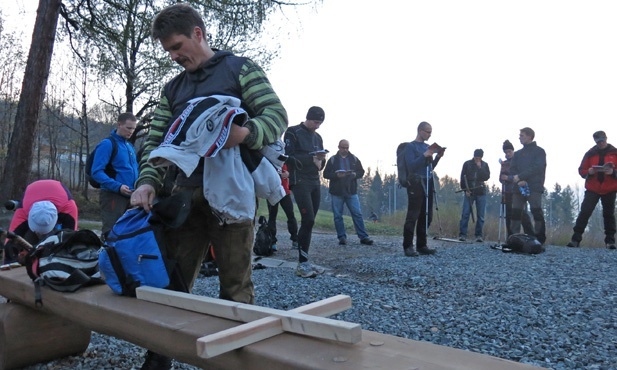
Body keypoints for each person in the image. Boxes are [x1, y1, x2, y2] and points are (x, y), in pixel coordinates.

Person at [129, 4, 287, 369]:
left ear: (198, 33)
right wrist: (147, 183)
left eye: (178, 45)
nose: (174, 56)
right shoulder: (173, 88)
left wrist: (245, 134)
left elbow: (276, 116)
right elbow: (154, 142)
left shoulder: (240, 68)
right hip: (183, 198)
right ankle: (158, 357)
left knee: (235, 288)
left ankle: (236, 361)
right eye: (168, 50)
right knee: (173, 286)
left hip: (232, 198)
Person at [284, 106, 327, 278]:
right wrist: (310, 158)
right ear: (308, 118)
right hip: (299, 180)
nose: (318, 126)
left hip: (314, 180)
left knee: (310, 222)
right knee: (307, 218)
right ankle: (302, 264)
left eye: (320, 123)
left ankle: (305, 261)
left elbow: (319, 163)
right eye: (316, 122)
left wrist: (320, 161)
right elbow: (288, 156)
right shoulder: (293, 132)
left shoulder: (318, 137)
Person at [3, 179, 78, 264]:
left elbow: (71, 239)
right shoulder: (23, 210)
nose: (40, 234)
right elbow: (10, 242)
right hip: (32, 192)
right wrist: (9, 263)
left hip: (59, 194)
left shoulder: (69, 208)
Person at [91, 112, 138, 239]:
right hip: (113, 196)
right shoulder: (107, 144)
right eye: (129, 128)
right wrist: (117, 187)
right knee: (111, 233)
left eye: (134, 128)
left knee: (128, 234)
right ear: (119, 124)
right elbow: (96, 172)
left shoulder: (129, 146)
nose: (131, 131)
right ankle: (105, 258)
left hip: (131, 196)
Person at [400, 121, 444, 257]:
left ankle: (422, 244)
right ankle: (408, 246)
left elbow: (429, 168)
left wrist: (437, 157)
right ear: (420, 131)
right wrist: (424, 155)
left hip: (428, 181)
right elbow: (411, 166)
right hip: (415, 183)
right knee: (413, 215)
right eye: (427, 131)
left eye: (431, 132)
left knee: (426, 215)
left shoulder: (427, 147)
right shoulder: (410, 147)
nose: (429, 134)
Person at [567, 131, 617, 249]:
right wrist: (588, 172)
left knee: (609, 215)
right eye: (598, 141)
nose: (601, 143)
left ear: (606, 139)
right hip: (593, 188)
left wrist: (613, 172)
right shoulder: (589, 154)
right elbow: (581, 170)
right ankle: (575, 239)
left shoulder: (615, 153)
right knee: (584, 213)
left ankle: (610, 242)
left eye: (602, 140)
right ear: (595, 141)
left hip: (610, 189)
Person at [323, 139, 374, 246]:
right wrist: (336, 175)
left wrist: (355, 175)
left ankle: (363, 236)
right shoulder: (332, 160)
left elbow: (361, 171)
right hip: (337, 192)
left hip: (351, 191)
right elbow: (325, 174)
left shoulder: (354, 159)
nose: (345, 150)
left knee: (357, 214)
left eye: (347, 148)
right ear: (339, 147)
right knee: (338, 215)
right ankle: (342, 237)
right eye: (343, 147)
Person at [509, 127, 547, 245]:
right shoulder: (518, 154)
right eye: (519, 135)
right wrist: (518, 180)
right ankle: (513, 237)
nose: (519, 137)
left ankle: (539, 239)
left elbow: (537, 167)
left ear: (529, 136)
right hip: (518, 187)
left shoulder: (540, 152)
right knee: (515, 212)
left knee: (536, 211)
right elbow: (512, 169)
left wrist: (522, 177)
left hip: (534, 187)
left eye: (522, 135)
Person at [499, 139, 534, 236]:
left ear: (513, 151)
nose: (508, 154)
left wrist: (508, 178)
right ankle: (511, 237)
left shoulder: (520, 161)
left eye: (509, 151)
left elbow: (521, 175)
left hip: (519, 192)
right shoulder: (504, 163)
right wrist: (504, 178)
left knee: (522, 214)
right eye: (506, 152)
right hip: (508, 192)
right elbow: (501, 178)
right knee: (509, 215)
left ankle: (531, 235)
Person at [458, 149, 490, 242]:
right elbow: (462, 178)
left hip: (481, 192)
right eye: (476, 157)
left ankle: (479, 235)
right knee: (465, 213)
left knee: (481, 215)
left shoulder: (485, 165)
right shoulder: (467, 164)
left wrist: (480, 168)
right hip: (469, 191)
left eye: (479, 158)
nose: (477, 159)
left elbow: (486, 177)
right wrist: (465, 190)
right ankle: (462, 234)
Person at [267, 163, 298, 251]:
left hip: (285, 191)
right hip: (272, 191)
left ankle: (295, 239)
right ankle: (272, 241)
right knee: (272, 216)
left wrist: (288, 174)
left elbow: (291, 171)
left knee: (290, 215)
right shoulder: (269, 158)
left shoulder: (285, 158)